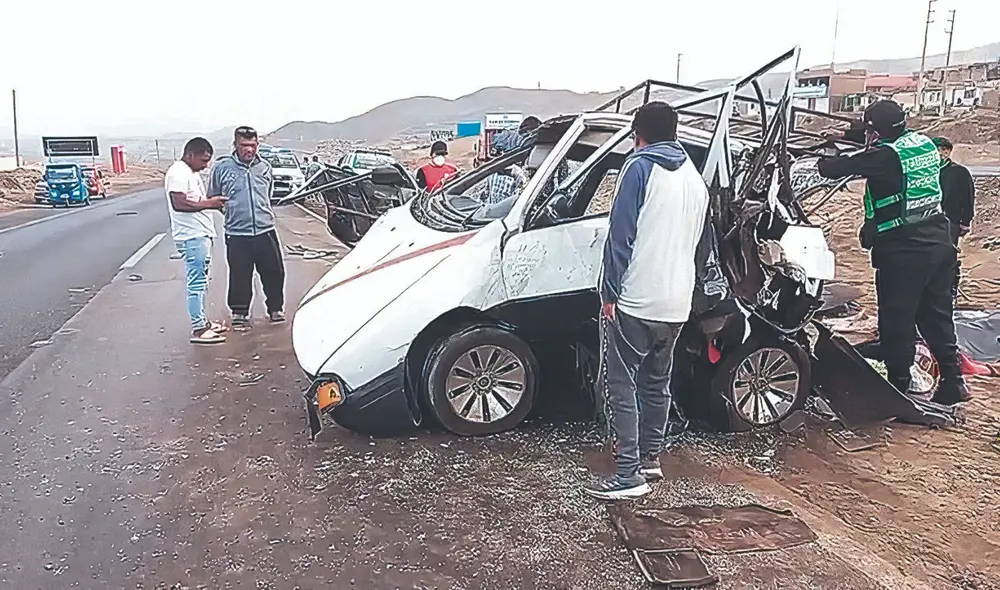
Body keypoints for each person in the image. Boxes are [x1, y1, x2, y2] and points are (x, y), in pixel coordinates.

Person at [584, 101, 710, 500]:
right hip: (676, 303)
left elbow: (620, 236)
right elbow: (703, 247)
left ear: (638, 135)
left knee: (620, 385)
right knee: (657, 383)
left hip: (636, 300)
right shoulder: (695, 179)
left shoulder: (638, 168)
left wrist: (609, 292)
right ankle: (651, 458)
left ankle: (628, 474)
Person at [817, 100, 969, 405]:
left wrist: (825, 154)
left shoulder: (885, 156)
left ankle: (898, 388)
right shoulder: (922, 144)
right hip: (940, 243)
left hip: (905, 251)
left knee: (897, 320)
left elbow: (833, 169)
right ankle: (954, 382)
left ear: (876, 131)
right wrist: (848, 136)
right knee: (936, 317)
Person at [207, 126, 286, 328]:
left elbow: (268, 194)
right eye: (244, 145)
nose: (249, 150)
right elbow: (213, 196)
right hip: (237, 233)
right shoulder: (222, 168)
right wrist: (231, 213)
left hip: (265, 230)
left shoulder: (265, 167)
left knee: (274, 271)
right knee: (240, 274)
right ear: (235, 145)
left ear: (258, 145)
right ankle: (239, 312)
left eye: (252, 145)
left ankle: (275, 308)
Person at [164, 137, 229, 344]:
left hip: (199, 235)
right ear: (190, 155)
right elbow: (179, 203)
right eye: (203, 160)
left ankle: (203, 322)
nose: (206, 165)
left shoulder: (190, 173)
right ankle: (199, 328)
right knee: (197, 283)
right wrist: (210, 204)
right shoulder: (178, 173)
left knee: (202, 281)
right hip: (192, 237)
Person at [933, 136, 976, 296]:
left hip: (951, 219)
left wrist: (966, 221)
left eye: (938, 150)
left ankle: (950, 289)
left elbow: (968, 197)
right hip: (930, 219)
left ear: (947, 152)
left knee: (948, 254)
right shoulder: (928, 171)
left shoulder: (959, 172)